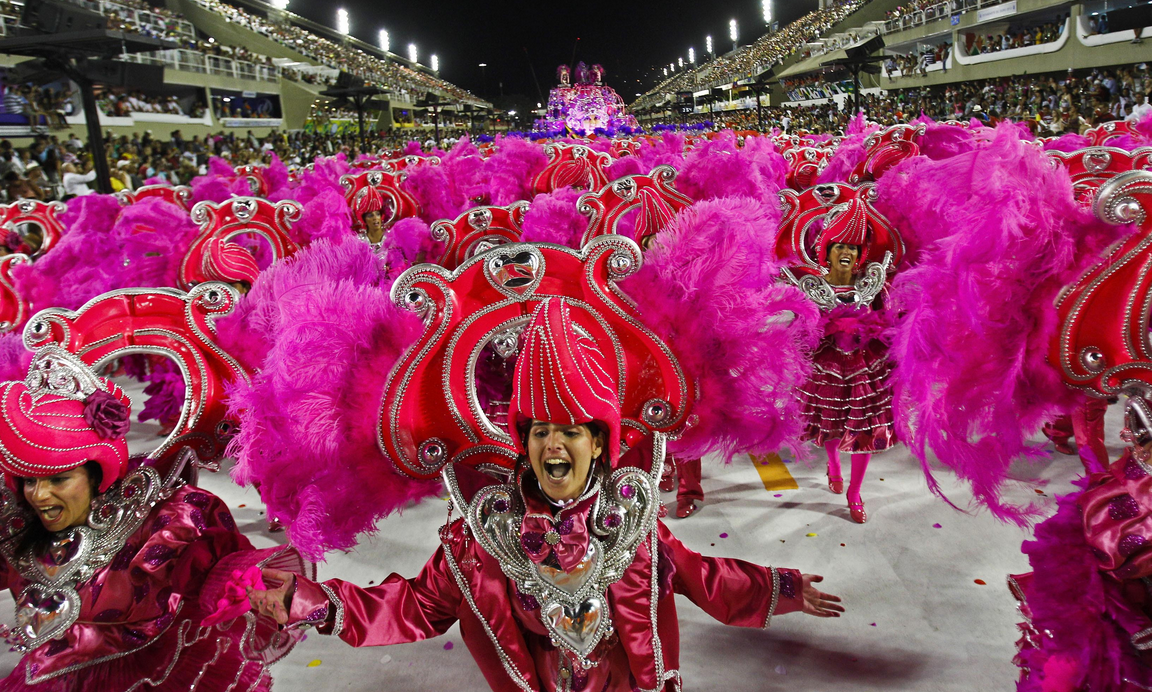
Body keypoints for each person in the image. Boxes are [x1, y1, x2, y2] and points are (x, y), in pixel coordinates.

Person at [246, 298, 843, 692]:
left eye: (570, 431)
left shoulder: (629, 519)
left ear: (599, 442)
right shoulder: (483, 534)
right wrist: (313, 604)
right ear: (522, 440)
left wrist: (781, 587)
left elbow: (699, 576)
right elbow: (416, 606)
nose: (553, 445)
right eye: (539, 432)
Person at [0, 346, 297, 690]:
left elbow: (220, 573)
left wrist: (262, 591)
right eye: (29, 481)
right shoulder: (18, 528)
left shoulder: (161, 523)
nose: (38, 496)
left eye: (58, 480)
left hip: (146, 674)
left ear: (96, 475)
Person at [792, 197, 898, 524]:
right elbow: (801, 330)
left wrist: (873, 327)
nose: (846, 253)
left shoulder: (875, 283)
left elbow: (890, 322)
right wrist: (824, 326)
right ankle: (834, 465)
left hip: (865, 369)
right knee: (831, 423)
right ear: (828, 251)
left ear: (859, 254)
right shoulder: (814, 286)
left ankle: (855, 492)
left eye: (852, 248)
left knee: (863, 429)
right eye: (839, 246)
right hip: (827, 368)